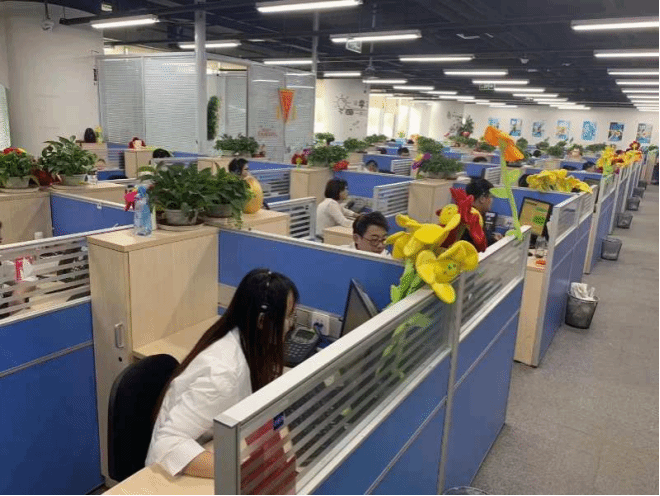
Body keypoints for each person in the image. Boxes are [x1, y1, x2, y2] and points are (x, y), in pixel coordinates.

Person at [146, 269, 299, 479]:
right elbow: (167, 445)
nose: (291, 325)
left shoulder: (249, 346)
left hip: (214, 446)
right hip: (173, 473)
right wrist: (242, 473)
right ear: (262, 322)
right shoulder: (224, 375)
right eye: (288, 316)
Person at [465, 178, 502, 246]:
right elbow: (480, 246)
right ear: (482, 199)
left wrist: (492, 238)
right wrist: (494, 241)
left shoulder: (468, 212)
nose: (492, 200)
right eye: (491, 197)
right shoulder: (473, 218)